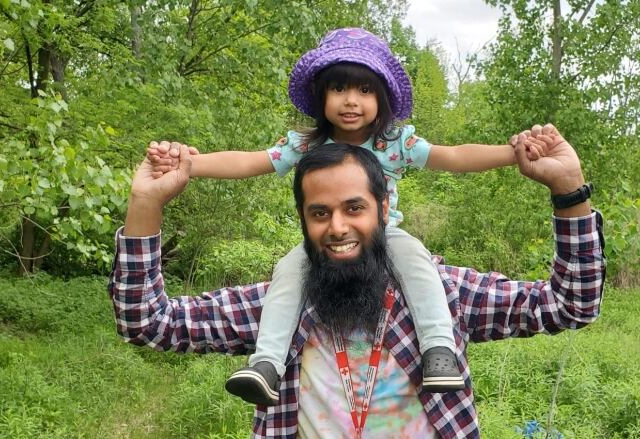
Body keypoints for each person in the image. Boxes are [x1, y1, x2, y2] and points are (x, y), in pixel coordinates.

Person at [109, 126, 605, 438]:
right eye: (319, 213)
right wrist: (146, 204)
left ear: (384, 209)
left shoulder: (442, 293)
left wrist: (568, 190)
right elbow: (148, 322)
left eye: (355, 208)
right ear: (303, 220)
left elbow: (570, 304)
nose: (338, 227)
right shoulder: (279, 307)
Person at [145, 27, 548, 405]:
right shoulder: (307, 144)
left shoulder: (395, 143)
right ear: (322, 96)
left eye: (364, 89)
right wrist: (190, 166)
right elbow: (250, 162)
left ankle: (439, 351)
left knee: (420, 264)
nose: (351, 100)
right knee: (288, 271)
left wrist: (512, 153)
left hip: (385, 237)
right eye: (339, 88)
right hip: (325, 247)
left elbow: (456, 156)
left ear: (381, 99)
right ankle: (266, 363)